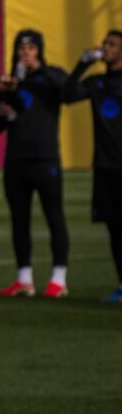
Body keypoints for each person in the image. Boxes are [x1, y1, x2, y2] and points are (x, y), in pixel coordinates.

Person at [0, 28, 77, 298]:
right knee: (20, 220)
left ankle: (58, 278)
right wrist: (6, 98)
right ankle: (24, 278)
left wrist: (36, 71)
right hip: (16, 160)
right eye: (21, 48)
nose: (25, 53)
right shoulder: (12, 82)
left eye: (30, 48)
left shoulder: (50, 77)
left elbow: (66, 91)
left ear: (39, 51)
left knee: (54, 217)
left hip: (45, 159)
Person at [82, 30, 122, 304]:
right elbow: (67, 93)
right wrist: (82, 63)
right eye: (105, 44)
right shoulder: (96, 83)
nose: (105, 48)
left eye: (112, 45)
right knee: (115, 229)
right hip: (106, 167)